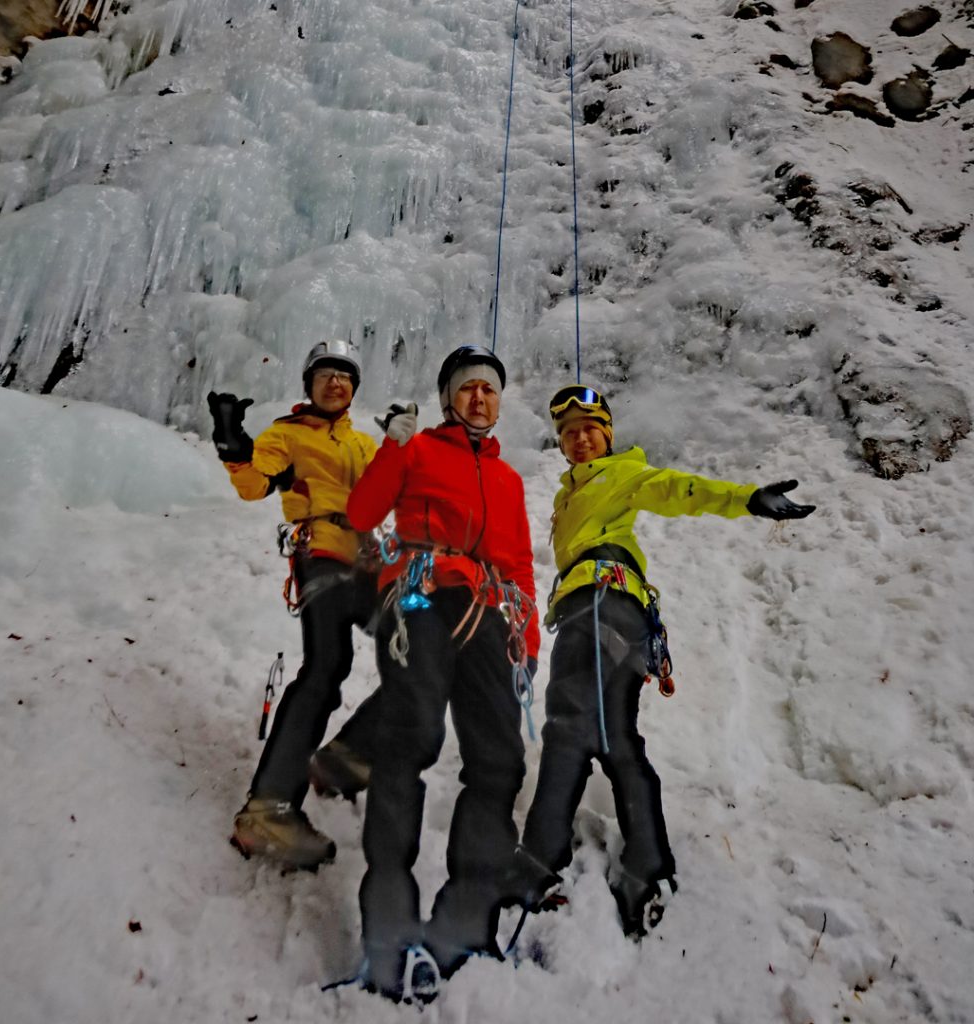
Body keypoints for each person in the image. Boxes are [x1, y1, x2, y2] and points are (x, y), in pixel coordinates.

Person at [517, 384, 816, 938]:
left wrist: (745, 497)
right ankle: (645, 870)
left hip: (602, 606)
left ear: (608, 435)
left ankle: (544, 862)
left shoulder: (623, 474)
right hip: (608, 614)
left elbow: (678, 488)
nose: (581, 439)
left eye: (590, 429)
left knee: (571, 731)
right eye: (569, 433)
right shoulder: (569, 494)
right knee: (609, 738)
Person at [345, 344, 540, 1001]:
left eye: (489, 389)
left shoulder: (508, 480)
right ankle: (388, 932)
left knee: (498, 761)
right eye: (467, 389)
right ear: (448, 398)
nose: (479, 398)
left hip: (489, 612)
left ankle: (462, 927)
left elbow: (518, 566)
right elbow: (362, 514)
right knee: (412, 738)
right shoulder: (421, 450)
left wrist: (527, 641)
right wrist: (393, 448)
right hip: (422, 591)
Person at [207, 339, 380, 871]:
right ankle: (269, 808)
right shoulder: (287, 435)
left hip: (371, 562)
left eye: (344, 376)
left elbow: (397, 490)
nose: (335, 383)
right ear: (309, 385)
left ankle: (347, 757)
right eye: (325, 374)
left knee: (425, 650)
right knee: (327, 664)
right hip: (322, 554)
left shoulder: (364, 444)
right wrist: (234, 446)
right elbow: (257, 483)